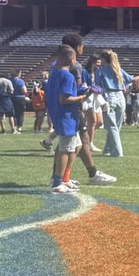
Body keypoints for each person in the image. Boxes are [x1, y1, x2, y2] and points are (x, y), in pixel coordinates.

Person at [41, 33, 116, 185]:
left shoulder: (55, 66)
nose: (83, 48)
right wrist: (85, 96)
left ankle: (63, 177)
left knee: (74, 143)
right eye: (81, 45)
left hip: (61, 110)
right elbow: (74, 89)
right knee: (75, 143)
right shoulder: (74, 67)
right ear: (75, 49)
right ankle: (70, 177)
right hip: (71, 110)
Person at [45, 44, 90, 193]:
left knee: (76, 146)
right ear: (71, 59)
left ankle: (65, 178)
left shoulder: (54, 74)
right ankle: (57, 182)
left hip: (60, 115)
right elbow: (64, 99)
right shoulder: (68, 76)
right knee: (65, 149)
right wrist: (83, 96)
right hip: (66, 117)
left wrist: (80, 91)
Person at [95, 49, 134, 157]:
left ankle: (117, 152)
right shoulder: (118, 69)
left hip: (109, 97)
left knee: (112, 127)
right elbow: (131, 79)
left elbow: (97, 86)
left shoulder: (100, 71)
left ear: (103, 59)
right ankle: (107, 150)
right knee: (116, 127)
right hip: (121, 97)